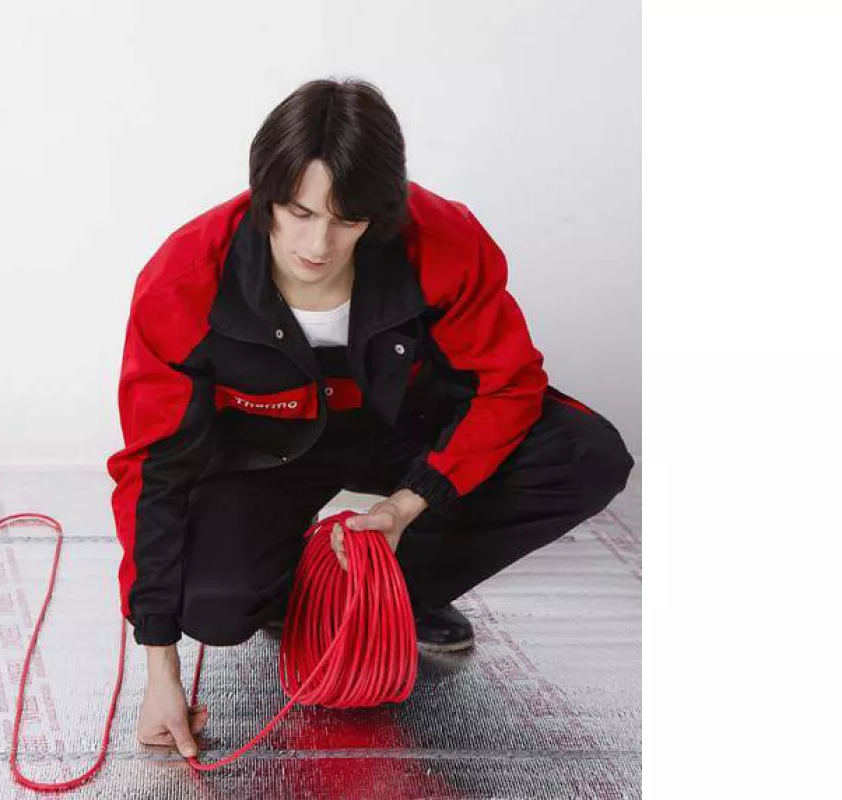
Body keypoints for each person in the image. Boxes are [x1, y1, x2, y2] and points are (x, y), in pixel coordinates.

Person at [105, 78, 634, 758]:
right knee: (210, 605)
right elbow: (154, 468)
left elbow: (507, 385)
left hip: (405, 431)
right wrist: (160, 669)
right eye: (297, 212)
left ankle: (393, 592)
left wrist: (410, 505)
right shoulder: (185, 278)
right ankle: (299, 593)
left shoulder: (441, 240)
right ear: (264, 193)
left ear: (378, 212)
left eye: (347, 220)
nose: (318, 243)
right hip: (269, 450)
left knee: (587, 455)